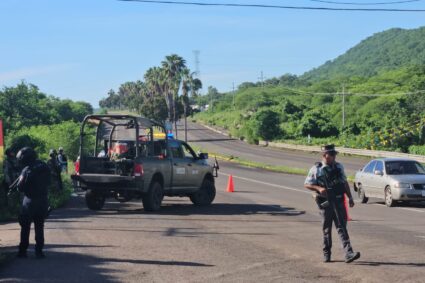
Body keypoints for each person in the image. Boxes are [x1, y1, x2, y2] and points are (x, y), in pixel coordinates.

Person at [304, 144, 360, 263]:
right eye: (332, 154)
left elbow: (344, 183)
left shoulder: (339, 167)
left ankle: (349, 253)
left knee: (342, 228)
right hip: (326, 203)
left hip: (339, 201)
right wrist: (319, 189)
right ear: (325, 155)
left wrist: (350, 197)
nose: (334, 157)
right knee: (326, 229)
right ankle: (327, 254)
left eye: (335, 154)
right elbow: (307, 184)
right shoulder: (316, 169)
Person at [15, 147, 51, 258]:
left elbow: (20, 187)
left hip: (29, 201)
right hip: (43, 200)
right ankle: (39, 251)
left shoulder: (26, 170)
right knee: (39, 226)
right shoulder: (44, 166)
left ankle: (22, 251)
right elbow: (49, 182)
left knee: (25, 227)